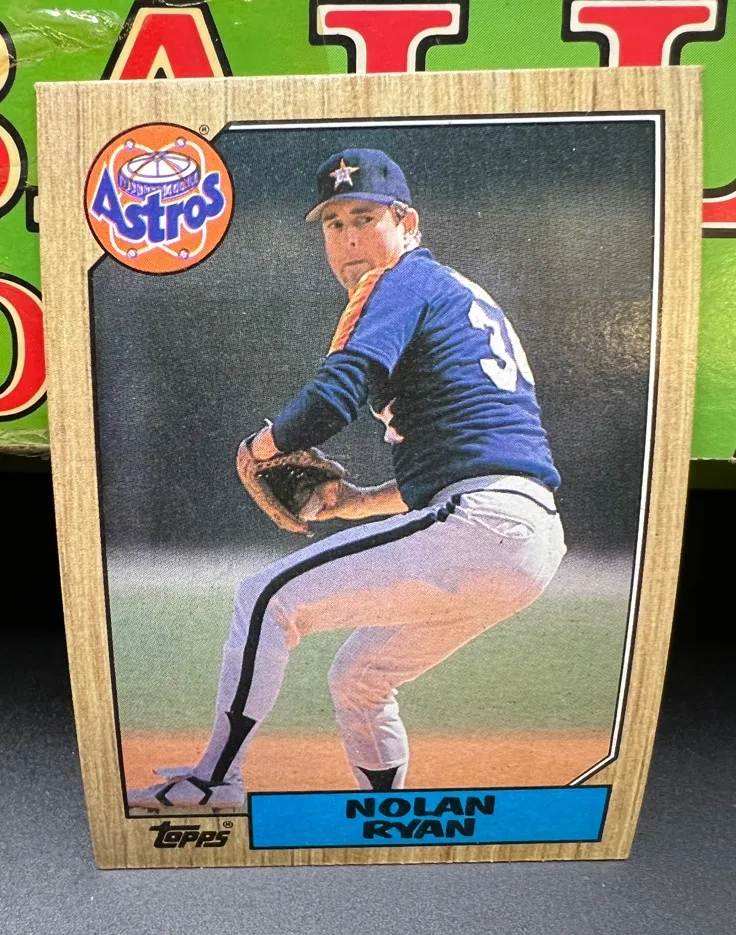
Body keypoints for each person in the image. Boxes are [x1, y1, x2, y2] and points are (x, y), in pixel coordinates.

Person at [127, 148, 567, 810]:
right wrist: (357, 503)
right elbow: (469, 456)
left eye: (365, 218)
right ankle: (387, 816)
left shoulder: (401, 282)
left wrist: (259, 446)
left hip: (481, 522)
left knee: (266, 597)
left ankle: (213, 781)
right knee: (361, 677)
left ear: (406, 222)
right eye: (334, 224)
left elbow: (334, 397)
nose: (350, 238)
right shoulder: (454, 292)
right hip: (524, 538)